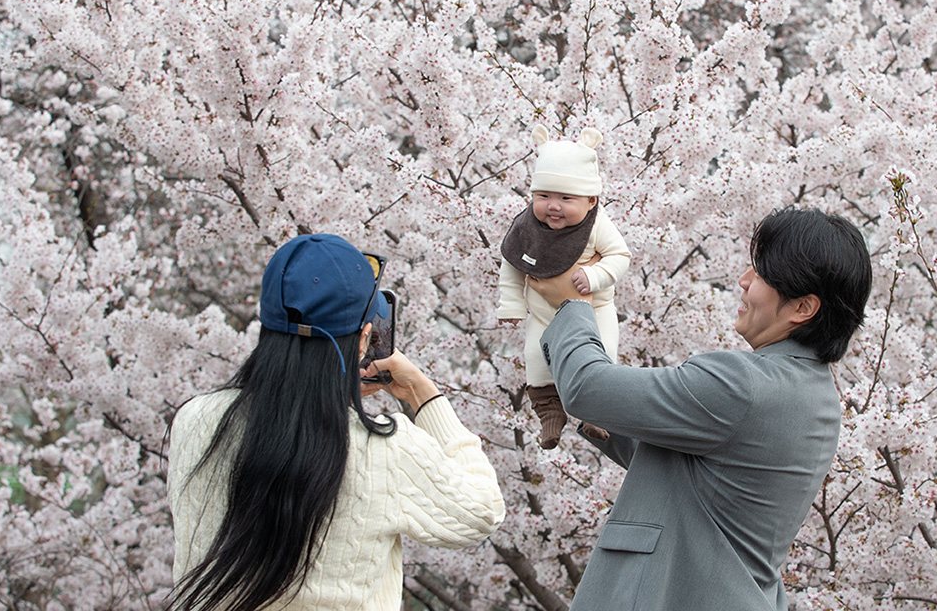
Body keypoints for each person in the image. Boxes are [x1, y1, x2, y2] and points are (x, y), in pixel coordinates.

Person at [531, 206, 872, 611]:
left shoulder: (743, 384)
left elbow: (587, 386)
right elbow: (693, 472)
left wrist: (571, 305)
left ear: (803, 308)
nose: (743, 282)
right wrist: (608, 415)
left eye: (761, 275)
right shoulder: (816, 395)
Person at [166, 233, 505, 611]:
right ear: (364, 340)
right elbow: (482, 510)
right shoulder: (383, 450)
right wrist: (421, 393)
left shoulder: (194, 421)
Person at [497, 124, 631, 448]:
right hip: (544, 313)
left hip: (592, 309)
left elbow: (620, 255)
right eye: (543, 196)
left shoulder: (597, 224)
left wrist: (596, 275)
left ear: (590, 200)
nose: (553, 206)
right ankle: (550, 416)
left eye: (565, 198)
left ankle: (595, 414)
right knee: (535, 358)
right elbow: (513, 264)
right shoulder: (528, 225)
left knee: (603, 353)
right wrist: (512, 303)